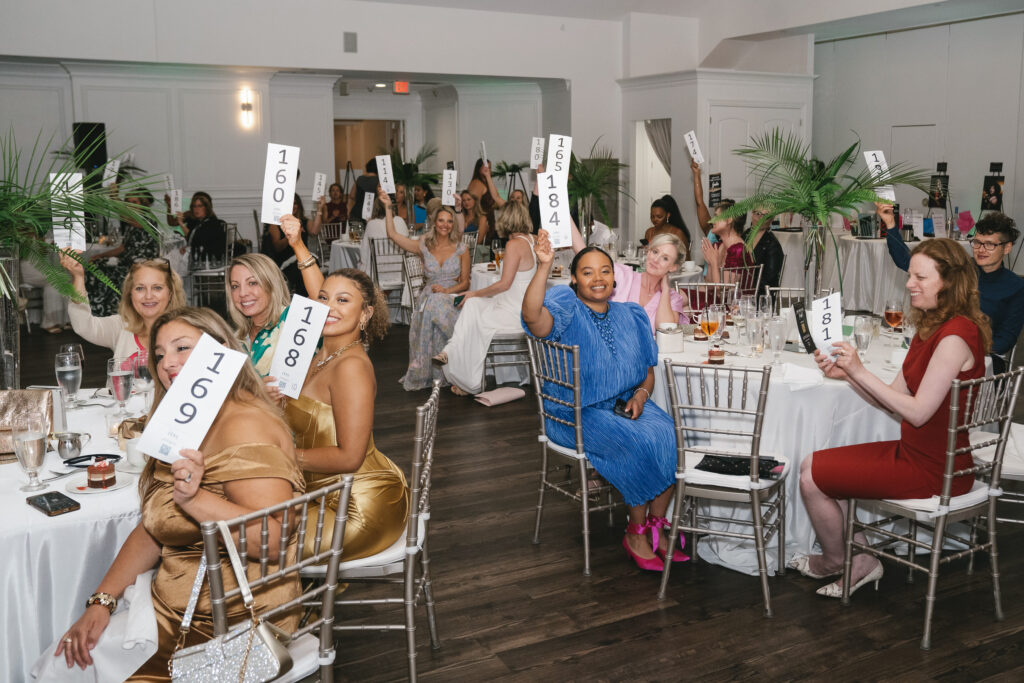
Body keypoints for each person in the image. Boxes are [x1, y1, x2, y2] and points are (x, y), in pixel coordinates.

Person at [55, 307, 304, 677]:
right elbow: (157, 524)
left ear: (220, 352)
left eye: (182, 348)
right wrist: (101, 601)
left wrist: (196, 499)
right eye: (159, 354)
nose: (167, 363)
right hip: (175, 605)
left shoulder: (244, 424)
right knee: (65, 663)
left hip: (231, 621)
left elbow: (270, 541)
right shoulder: (185, 421)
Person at [796, 238, 989, 598]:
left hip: (937, 469)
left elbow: (917, 413)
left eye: (920, 276)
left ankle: (839, 561)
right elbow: (893, 400)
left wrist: (860, 369)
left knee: (813, 479)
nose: (909, 283)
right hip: (914, 454)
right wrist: (849, 375)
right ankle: (859, 559)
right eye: (910, 275)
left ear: (948, 282)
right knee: (811, 466)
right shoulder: (931, 326)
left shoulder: (956, 335)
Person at [521, 233, 683, 571]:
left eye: (605, 271)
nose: (598, 279)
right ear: (575, 279)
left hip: (627, 403)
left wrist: (641, 395)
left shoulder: (632, 315)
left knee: (672, 436)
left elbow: (647, 373)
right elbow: (534, 319)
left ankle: (655, 525)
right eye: (588, 272)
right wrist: (543, 266)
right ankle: (635, 533)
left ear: (615, 276)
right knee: (638, 443)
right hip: (577, 411)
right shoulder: (566, 308)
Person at [287, 268, 410, 560]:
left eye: (343, 300)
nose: (329, 307)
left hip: (355, 505)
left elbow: (350, 457)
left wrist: (285, 456)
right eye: (323, 298)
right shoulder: (320, 355)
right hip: (320, 489)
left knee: (253, 542)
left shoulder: (351, 367)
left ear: (365, 314)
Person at [884, 209, 1023, 372]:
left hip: (982, 360)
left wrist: (961, 346)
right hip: (942, 347)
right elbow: (907, 261)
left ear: (1007, 248)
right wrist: (891, 225)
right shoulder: (961, 268)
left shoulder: (1016, 287)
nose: (981, 249)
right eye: (977, 242)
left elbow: (1005, 341)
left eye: (990, 244)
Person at [436, 201, 536, 395]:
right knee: (472, 305)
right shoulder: (532, 240)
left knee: (476, 322)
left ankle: (471, 383)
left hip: (515, 311)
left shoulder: (514, 244)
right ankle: (449, 350)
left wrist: (474, 291)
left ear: (506, 220)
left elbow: (503, 284)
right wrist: (473, 296)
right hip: (514, 304)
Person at [379, 186, 469, 391]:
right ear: (434, 223)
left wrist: (447, 291)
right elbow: (393, 235)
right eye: (441, 220)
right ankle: (435, 369)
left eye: (449, 221)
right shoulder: (423, 245)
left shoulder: (461, 248)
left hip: (452, 296)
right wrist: (387, 207)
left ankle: (448, 365)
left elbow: (466, 283)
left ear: (452, 224)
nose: (445, 225)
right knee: (430, 304)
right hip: (429, 296)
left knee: (433, 304)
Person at [60, 254, 185, 362]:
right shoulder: (121, 326)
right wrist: (78, 278)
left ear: (170, 293)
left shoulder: (187, 333)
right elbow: (83, 325)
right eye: (140, 288)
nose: (148, 296)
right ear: (130, 294)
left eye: (157, 288)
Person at [85, 187, 162, 316]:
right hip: (127, 262)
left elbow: (126, 216)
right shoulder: (130, 224)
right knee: (94, 267)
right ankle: (98, 311)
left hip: (141, 265)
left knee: (109, 274)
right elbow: (122, 248)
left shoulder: (148, 219)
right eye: (129, 202)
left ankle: (109, 310)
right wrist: (99, 255)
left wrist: (115, 197)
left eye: (135, 202)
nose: (131, 205)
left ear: (143, 204)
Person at [225, 252, 292, 377]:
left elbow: (323, 304)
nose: (242, 293)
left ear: (271, 284)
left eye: (252, 283)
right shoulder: (236, 340)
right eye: (235, 286)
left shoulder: (294, 321)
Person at [261, 194, 323, 296]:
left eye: (295, 203)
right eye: (289, 204)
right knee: (300, 272)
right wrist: (291, 235)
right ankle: (303, 300)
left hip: (302, 260)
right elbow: (278, 247)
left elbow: (315, 231)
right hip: (285, 263)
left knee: (312, 264)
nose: (293, 206)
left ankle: (313, 297)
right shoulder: (275, 224)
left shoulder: (302, 221)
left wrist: (319, 209)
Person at [702, 198, 755, 284]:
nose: (712, 221)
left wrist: (714, 263)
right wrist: (710, 262)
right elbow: (709, 284)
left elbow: (724, 291)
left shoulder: (738, 250)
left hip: (736, 297)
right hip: (715, 295)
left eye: (717, 216)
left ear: (729, 219)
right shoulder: (717, 246)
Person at [359, 192, 409, 274]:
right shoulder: (400, 221)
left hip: (377, 272)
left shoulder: (371, 224)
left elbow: (364, 252)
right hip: (400, 272)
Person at [170, 191, 226, 262]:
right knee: (171, 256)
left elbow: (195, 239)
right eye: (194, 206)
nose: (196, 209)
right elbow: (194, 240)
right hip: (197, 256)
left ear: (206, 208)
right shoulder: (199, 221)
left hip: (208, 261)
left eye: (200, 206)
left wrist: (180, 223)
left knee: (172, 259)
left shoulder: (212, 223)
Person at [643, 195, 691, 259]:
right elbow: (646, 255)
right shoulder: (649, 232)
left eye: (659, 217)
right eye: (652, 216)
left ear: (668, 215)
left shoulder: (677, 233)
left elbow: (687, 259)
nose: (655, 220)